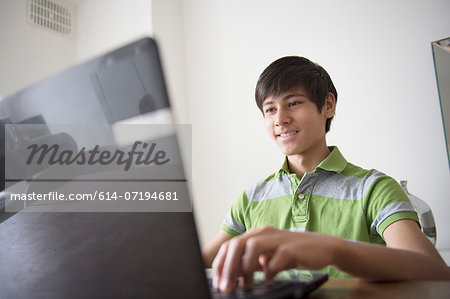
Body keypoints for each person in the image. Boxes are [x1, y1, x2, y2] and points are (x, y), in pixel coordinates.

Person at [201, 56, 450, 292]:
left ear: (328, 105)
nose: (280, 119)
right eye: (270, 109)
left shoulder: (374, 188)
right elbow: (200, 262)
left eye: (293, 103)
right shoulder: (250, 197)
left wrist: (335, 250)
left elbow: (436, 273)